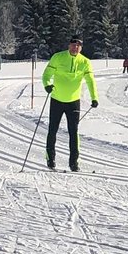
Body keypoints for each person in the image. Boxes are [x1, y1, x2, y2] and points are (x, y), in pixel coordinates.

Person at [41, 37, 99, 171]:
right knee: (52, 130)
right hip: (56, 100)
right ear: (69, 46)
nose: (75, 48)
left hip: (73, 102)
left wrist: (94, 98)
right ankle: (50, 159)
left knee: (74, 132)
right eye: (73, 45)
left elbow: (90, 81)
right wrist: (47, 85)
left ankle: (74, 163)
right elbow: (46, 75)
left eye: (78, 46)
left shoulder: (85, 62)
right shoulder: (58, 57)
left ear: (81, 48)